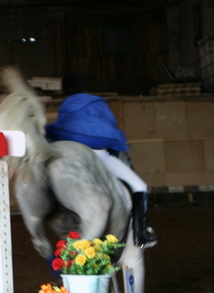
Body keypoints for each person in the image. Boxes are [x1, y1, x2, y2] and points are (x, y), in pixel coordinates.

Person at [45, 72, 157, 248]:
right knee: (140, 186)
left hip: (73, 157)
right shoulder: (97, 102)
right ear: (84, 87)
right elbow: (108, 129)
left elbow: (62, 132)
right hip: (99, 156)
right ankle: (141, 234)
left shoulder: (65, 107)